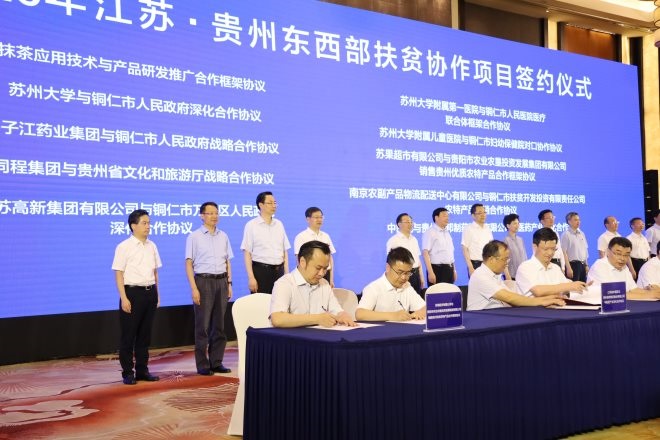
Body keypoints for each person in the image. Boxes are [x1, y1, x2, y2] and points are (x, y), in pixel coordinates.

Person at [111, 209, 162, 385]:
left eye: (149, 223)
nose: (148, 226)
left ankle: (142, 370)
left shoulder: (152, 246)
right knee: (129, 335)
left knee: (144, 336)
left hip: (150, 292)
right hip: (132, 293)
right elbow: (119, 274)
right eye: (144, 223)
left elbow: (155, 272)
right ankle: (127, 372)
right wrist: (124, 298)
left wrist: (157, 294)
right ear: (133, 226)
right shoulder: (124, 246)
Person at [185, 202, 233, 376]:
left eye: (216, 213)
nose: (214, 216)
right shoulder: (194, 236)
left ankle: (216, 362)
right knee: (203, 326)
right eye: (210, 213)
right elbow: (188, 263)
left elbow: (227, 261)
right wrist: (194, 288)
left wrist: (229, 283)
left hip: (221, 281)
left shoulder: (223, 236)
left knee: (219, 325)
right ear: (202, 216)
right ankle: (203, 365)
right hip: (203, 281)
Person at [270, 241, 355, 328]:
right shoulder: (284, 284)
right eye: (318, 268)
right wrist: (317, 319)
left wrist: (343, 315)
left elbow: (336, 311)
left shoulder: (324, 284)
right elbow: (277, 319)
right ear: (302, 262)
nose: (321, 273)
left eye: (325, 268)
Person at [467, 240, 565, 311]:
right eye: (505, 259)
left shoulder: (495, 276)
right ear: (492, 259)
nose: (507, 263)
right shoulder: (480, 276)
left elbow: (514, 298)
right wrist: (542, 302)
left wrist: (547, 299)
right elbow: (509, 298)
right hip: (482, 318)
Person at [356, 247, 426, 321]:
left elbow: (425, 307)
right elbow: (359, 314)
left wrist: (418, 313)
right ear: (388, 268)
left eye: (407, 273)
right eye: (399, 272)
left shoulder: (406, 286)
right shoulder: (374, 288)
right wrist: (393, 315)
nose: (404, 277)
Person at [241, 191, 291, 294]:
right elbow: (247, 253)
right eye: (270, 203)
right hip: (261, 272)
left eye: (275, 203)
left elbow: (284, 251)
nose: (274, 205)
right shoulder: (251, 225)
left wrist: (287, 274)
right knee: (261, 303)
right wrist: (251, 278)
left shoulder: (279, 224)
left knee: (280, 301)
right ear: (261, 205)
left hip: (279, 271)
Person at [516, 227, 588, 298]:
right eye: (546, 249)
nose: (550, 253)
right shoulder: (525, 267)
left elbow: (567, 288)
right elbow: (538, 291)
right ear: (535, 247)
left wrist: (580, 286)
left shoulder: (555, 268)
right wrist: (568, 286)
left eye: (553, 249)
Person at [587, 237, 660, 300]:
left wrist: (651, 292)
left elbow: (633, 289)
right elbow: (615, 295)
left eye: (626, 255)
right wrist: (651, 295)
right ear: (608, 252)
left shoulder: (624, 267)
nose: (622, 258)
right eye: (618, 254)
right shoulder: (599, 266)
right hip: (599, 308)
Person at [293, 207, 336, 287]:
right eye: (316, 217)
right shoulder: (301, 237)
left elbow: (330, 258)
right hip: (310, 274)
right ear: (308, 219)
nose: (319, 220)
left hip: (325, 274)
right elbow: (298, 259)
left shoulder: (326, 236)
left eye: (321, 217)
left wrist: (331, 279)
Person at [386, 213, 425, 296]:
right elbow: (391, 262)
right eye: (407, 222)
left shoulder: (414, 239)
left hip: (415, 274)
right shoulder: (393, 240)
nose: (410, 224)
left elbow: (418, 260)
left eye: (411, 222)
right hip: (402, 276)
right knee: (403, 299)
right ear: (399, 224)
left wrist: (421, 276)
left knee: (416, 299)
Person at [422, 207, 457, 286]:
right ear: (436, 218)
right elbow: (425, 253)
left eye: (448, 216)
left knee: (449, 293)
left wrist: (454, 270)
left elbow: (450, 253)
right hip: (437, 270)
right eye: (444, 216)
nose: (447, 218)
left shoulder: (447, 233)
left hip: (449, 269)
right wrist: (430, 272)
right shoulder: (430, 232)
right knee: (437, 293)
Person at [461, 203, 493, 278]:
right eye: (479, 213)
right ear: (473, 215)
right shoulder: (469, 229)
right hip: (475, 264)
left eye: (484, 212)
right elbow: (465, 248)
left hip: (488, 264)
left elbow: (491, 247)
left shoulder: (487, 228)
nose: (483, 215)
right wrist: (470, 267)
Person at [538, 209, 571, 278]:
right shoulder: (540, 234)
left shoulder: (556, 232)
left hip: (558, 263)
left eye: (552, 217)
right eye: (548, 218)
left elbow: (560, 250)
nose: (551, 219)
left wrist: (563, 267)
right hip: (548, 263)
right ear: (542, 221)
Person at [560, 212, 589, 282]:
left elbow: (585, 250)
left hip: (582, 265)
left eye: (579, 220)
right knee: (574, 287)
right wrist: (568, 268)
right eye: (575, 220)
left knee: (583, 286)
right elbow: (564, 252)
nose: (578, 222)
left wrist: (586, 265)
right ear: (569, 221)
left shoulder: (582, 233)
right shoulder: (566, 235)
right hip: (573, 265)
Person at [502, 213, 527, 280]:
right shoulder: (505, 241)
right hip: (511, 276)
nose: (517, 225)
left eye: (518, 223)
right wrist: (508, 276)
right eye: (514, 223)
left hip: (523, 275)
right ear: (508, 225)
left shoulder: (520, 240)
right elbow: (504, 260)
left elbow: (524, 257)